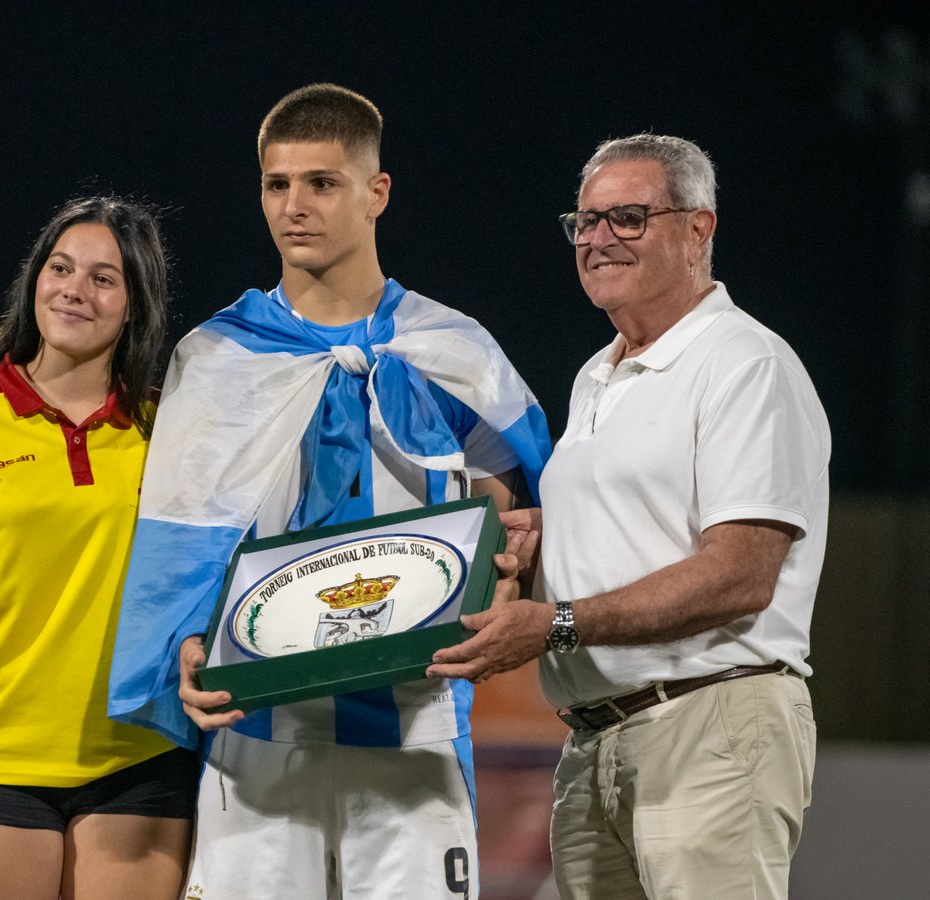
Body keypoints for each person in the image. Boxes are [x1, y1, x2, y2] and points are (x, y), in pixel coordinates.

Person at [107, 84, 552, 899]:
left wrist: (511, 570)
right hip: (260, 732)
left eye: (322, 182)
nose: (294, 207)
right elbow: (180, 540)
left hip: (415, 723)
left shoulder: (453, 349)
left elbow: (506, 516)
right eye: (277, 185)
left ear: (376, 192)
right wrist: (184, 648)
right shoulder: (217, 358)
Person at [429, 133, 830, 898]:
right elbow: (629, 540)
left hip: (709, 720)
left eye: (630, 218)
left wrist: (557, 623)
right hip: (592, 740)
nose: (599, 239)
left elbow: (741, 574)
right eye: (585, 221)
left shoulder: (745, 364)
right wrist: (539, 551)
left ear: (699, 228)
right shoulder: (597, 374)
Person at [0, 196, 198, 899]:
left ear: (135, 304)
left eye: (103, 278)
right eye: (60, 268)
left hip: (141, 763)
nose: (74, 289)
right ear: (34, 280)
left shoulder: (169, 422)